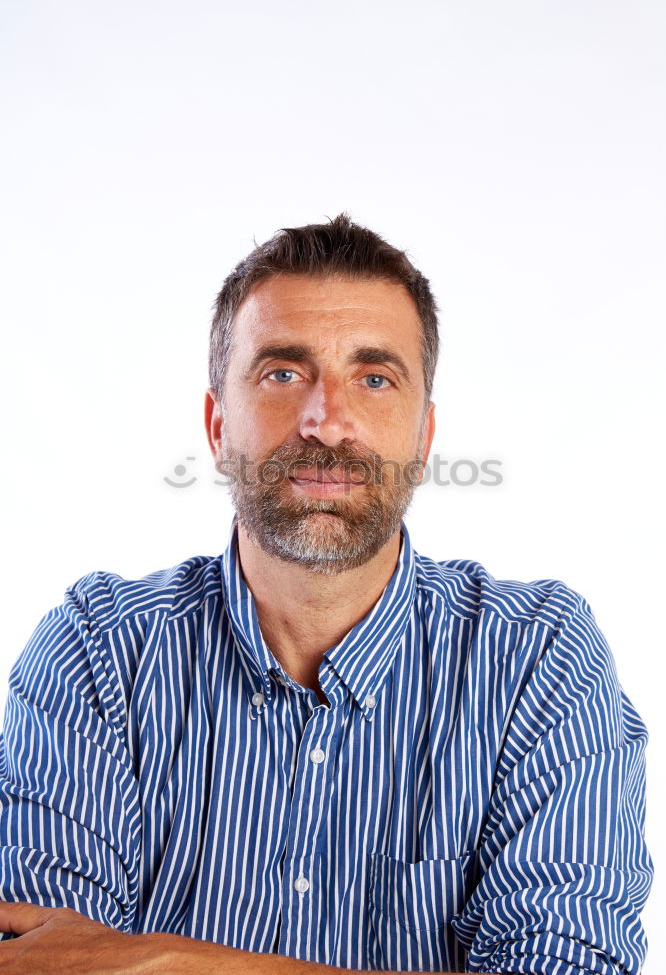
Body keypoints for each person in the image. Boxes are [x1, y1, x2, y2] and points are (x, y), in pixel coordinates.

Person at [0, 214, 652, 974]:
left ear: (424, 438)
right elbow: (38, 960)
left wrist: (165, 963)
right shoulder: (99, 650)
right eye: (283, 373)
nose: (327, 421)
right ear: (217, 427)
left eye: (374, 379)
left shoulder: (537, 660)